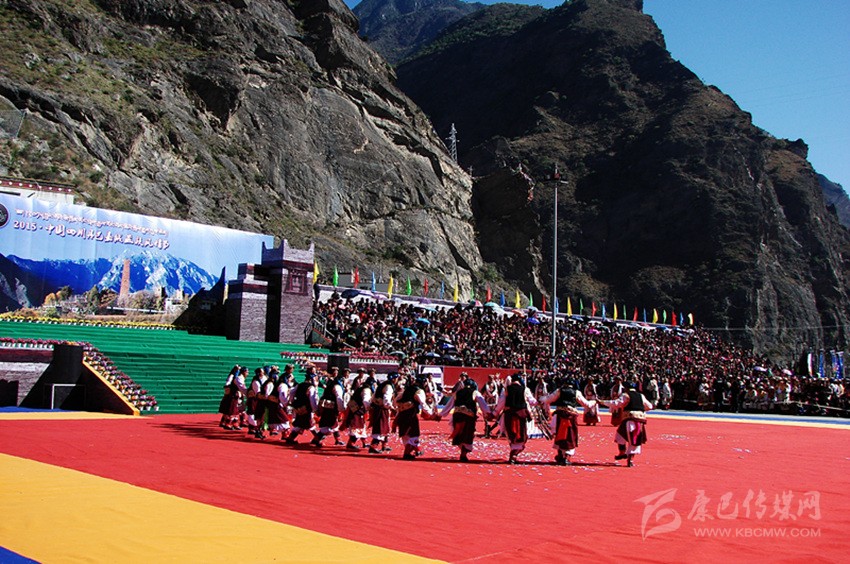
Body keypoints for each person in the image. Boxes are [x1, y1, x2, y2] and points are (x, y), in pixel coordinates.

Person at [597, 379, 653, 467]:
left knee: (620, 436)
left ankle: (622, 452)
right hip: (640, 419)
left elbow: (616, 403)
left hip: (629, 418)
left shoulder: (626, 395)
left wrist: (602, 402)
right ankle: (630, 459)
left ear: (626, 388)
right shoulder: (641, 396)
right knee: (635, 438)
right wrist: (640, 408)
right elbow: (649, 406)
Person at [542, 378, 596, 465]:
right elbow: (586, 404)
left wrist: (540, 399)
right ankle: (566, 457)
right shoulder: (576, 392)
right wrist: (594, 401)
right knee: (570, 436)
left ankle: (560, 455)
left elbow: (548, 399)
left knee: (560, 434)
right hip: (571, 416)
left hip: (560, 415)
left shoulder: (559, 391)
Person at [439, 377, 492, 461]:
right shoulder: (475, 392)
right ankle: (464, 451)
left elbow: (449, 405)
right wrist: (488, 413)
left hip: (457, 415)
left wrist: (441, 414)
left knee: (459, 433)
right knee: (468, 433)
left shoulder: (457, 393)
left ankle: (462, 448)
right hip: (468, 416)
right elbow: (483, 403)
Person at [492, 373, 538, 464]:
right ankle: (514, 455)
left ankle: (513, 454)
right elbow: (532, 401)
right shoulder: (525, 389)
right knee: (521, 434)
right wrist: (541, 401)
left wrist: (494, 413)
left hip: (509, 415)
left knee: (511, 434)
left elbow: (501, 403)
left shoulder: (506, 390)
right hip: (521, 415)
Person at [394, 374, 438, 460]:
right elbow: (423, 404)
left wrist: (397, 411)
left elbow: (397, 400)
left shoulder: (408, 389)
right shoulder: (419, 391)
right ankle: (407, 453)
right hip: (410, 414)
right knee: (414, 433)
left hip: (402, 413)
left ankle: (416, 449)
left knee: (405, 434)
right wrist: (431, 414)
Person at [312, 368, 346, 447]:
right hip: (331, 407)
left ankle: (338, 439)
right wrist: (341, 408)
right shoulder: (336, 385)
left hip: (326, 406)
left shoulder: (330, 383)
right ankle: (317, 439)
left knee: (333, 423)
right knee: (329, 423)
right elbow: (339, 397)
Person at [285, 368, 319, 444]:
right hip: (306, 408)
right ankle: (317, 439)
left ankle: (290, 438)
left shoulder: (299, 385)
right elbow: (312, 399)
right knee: (309, 423)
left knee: (300, 423)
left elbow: (291, 392)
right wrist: (315, 409)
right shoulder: (311, 387)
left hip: (298, 407)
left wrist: (292, 401)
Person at [368, 373, 399, 454]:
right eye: (396, 378)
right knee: (380, 427)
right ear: (393, 379)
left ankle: (384, 445)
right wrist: (392, 408)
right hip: (381, 409)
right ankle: (373, 446)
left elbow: (373, 396)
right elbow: (386, 400)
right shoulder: (388, 387)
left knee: (385, 426)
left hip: (379, 407)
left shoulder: (383, 385)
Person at [342, 374, 374, 450]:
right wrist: (370, 408)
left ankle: (364, 442)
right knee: (356, 425)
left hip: (354, 408)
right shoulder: (366, 390)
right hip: (357, 410)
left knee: (361, 425)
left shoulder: (361, 388)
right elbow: (366, 400)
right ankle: (351, 443)